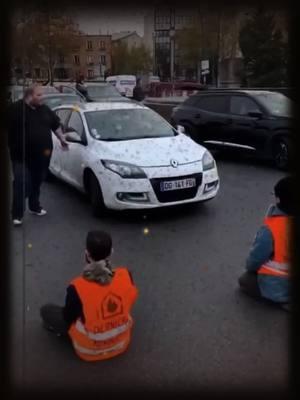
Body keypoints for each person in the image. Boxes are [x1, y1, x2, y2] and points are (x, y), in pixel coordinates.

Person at [40, 231, 138, 362]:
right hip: (120, 343)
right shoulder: (126, 275)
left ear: (87, 254)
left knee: (47, 310)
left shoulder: (77, 286)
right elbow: (130, 300)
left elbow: (68, 318)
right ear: (111, 252)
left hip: (89, 350)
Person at [7, 84, 69, 226]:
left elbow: (55, 125)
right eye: (39, 95)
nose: (43, 97)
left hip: (42, 156)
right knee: (22, 183)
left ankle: (34, 206)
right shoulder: (15, 109)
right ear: (29, 96)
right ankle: (17, 214)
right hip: (20, 156)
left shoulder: (45, 109)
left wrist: (62, 139)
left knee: (37, 182)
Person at [238, 176, 293, 311]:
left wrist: (251, 270)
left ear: (279, 199)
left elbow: (254, 261)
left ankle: (281, 300)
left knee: (244, 279)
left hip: (280, 286)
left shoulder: (272, 228)